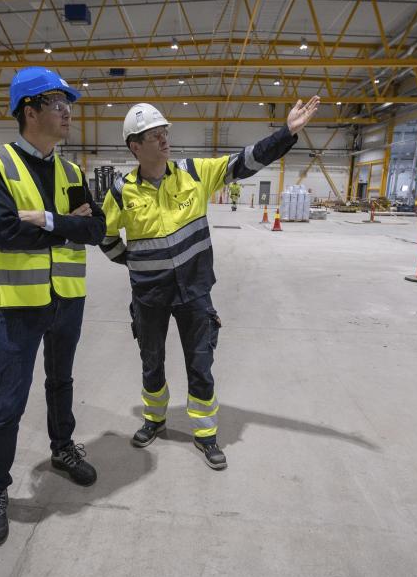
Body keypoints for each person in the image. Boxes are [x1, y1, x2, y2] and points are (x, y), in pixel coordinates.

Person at [100, 97, 321, 470]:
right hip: (149, 295)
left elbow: (244, 162)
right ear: (135, 146)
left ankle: (205, 434)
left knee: (200, 362)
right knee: (151, 359)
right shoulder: (121, 191)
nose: (163, 138)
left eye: (164, 131)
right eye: (153, 135)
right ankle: (154, 419)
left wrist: (286, 133)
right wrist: (136, 263)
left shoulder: (193, 172)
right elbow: (106, 238)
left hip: (194, 290)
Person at [0, 66, 105, 548]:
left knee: (61, 381)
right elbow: (5, 230)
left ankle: (63, 449)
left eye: (68, 103)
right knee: (10, 400)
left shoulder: (71, 171)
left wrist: (49, 219)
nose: (68, 111)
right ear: (29, 110)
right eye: (57, 103)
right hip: (21, 303)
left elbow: (96, 230)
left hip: (67, 299)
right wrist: (68, 222)